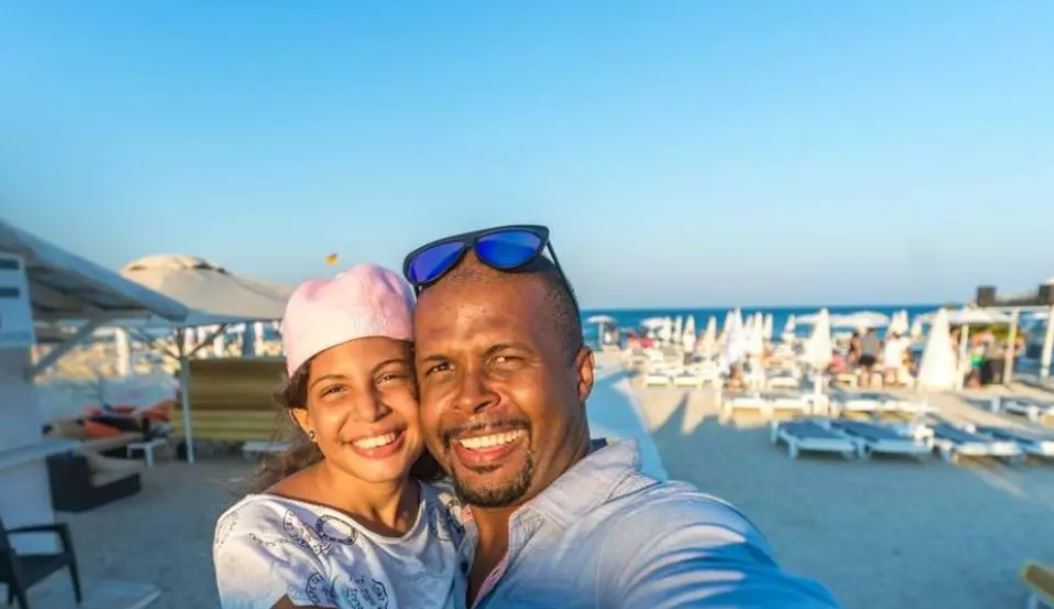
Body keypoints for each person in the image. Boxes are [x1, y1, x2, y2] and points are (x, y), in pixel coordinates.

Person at [402, 224, 840, 608]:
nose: (470, 397)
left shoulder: (651, 531)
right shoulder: (431, 524)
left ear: (582, 375)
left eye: (504, 359)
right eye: (440, 368)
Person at [213, 264, 465, 609]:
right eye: (335, 389)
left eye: (389, 377)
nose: (369, 410)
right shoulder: (264, 538)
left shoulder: (453, 512)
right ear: (306, 418)